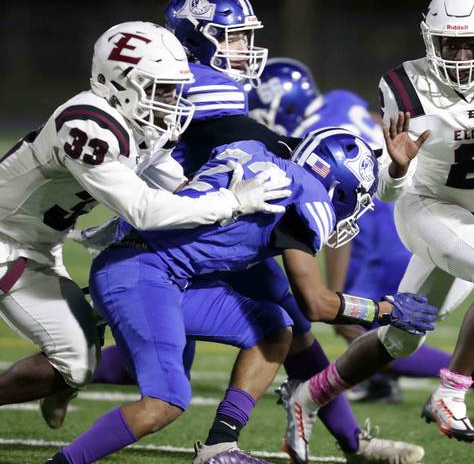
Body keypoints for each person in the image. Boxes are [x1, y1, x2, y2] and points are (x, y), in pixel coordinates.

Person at [57, 0, 426, 464]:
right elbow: (248, 138)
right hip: (190, 229)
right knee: (162, 364)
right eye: (233, 37)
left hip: (220, 225)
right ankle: (66, 381)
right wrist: (381, 308)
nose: (245, 49)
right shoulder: (195, 80)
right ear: (197, 35)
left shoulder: (206, 81)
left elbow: (249, 140)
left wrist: (367, 166)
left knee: (285, 325)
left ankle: (289, 441)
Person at [279, 0, 474, 450]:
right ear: (430, 40)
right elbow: (384, 190)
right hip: (426, 208)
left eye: (471, 45)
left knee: (402, 339)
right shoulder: (407, 85)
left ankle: (308, 396)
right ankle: (452, 392)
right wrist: (398, 167)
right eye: (450, 45)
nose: (461, 58)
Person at [47, 130, 436, 464]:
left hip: (158, 271)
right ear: (338, 187)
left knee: (273, 327)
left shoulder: (253, 149)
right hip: (144, 275)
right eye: (355, 197)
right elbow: (315, 303)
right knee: (165, 401)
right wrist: (382, 310)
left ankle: (220, 446)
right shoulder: (308, 197)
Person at [0, 21, 289, 417]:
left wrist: (217, 187)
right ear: (119, 82)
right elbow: (145, 209)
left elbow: (170, 181)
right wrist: (230, 201)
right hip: (6, 240)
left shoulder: (140, 121)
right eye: (162, 89)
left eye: (173, 88)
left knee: (79, 362)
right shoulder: (87, 123)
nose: (171, 100)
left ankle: (62, 382)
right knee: (74, 362)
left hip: (39, 244)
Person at [251, 58, 474, 408]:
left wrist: (337, 285)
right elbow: (380, 126)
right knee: (375, 322)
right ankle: (380, 384)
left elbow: (328, 218)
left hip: (378, 228)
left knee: (354, 322)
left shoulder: (314, 136)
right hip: (408, 209)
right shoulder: (339, 100)